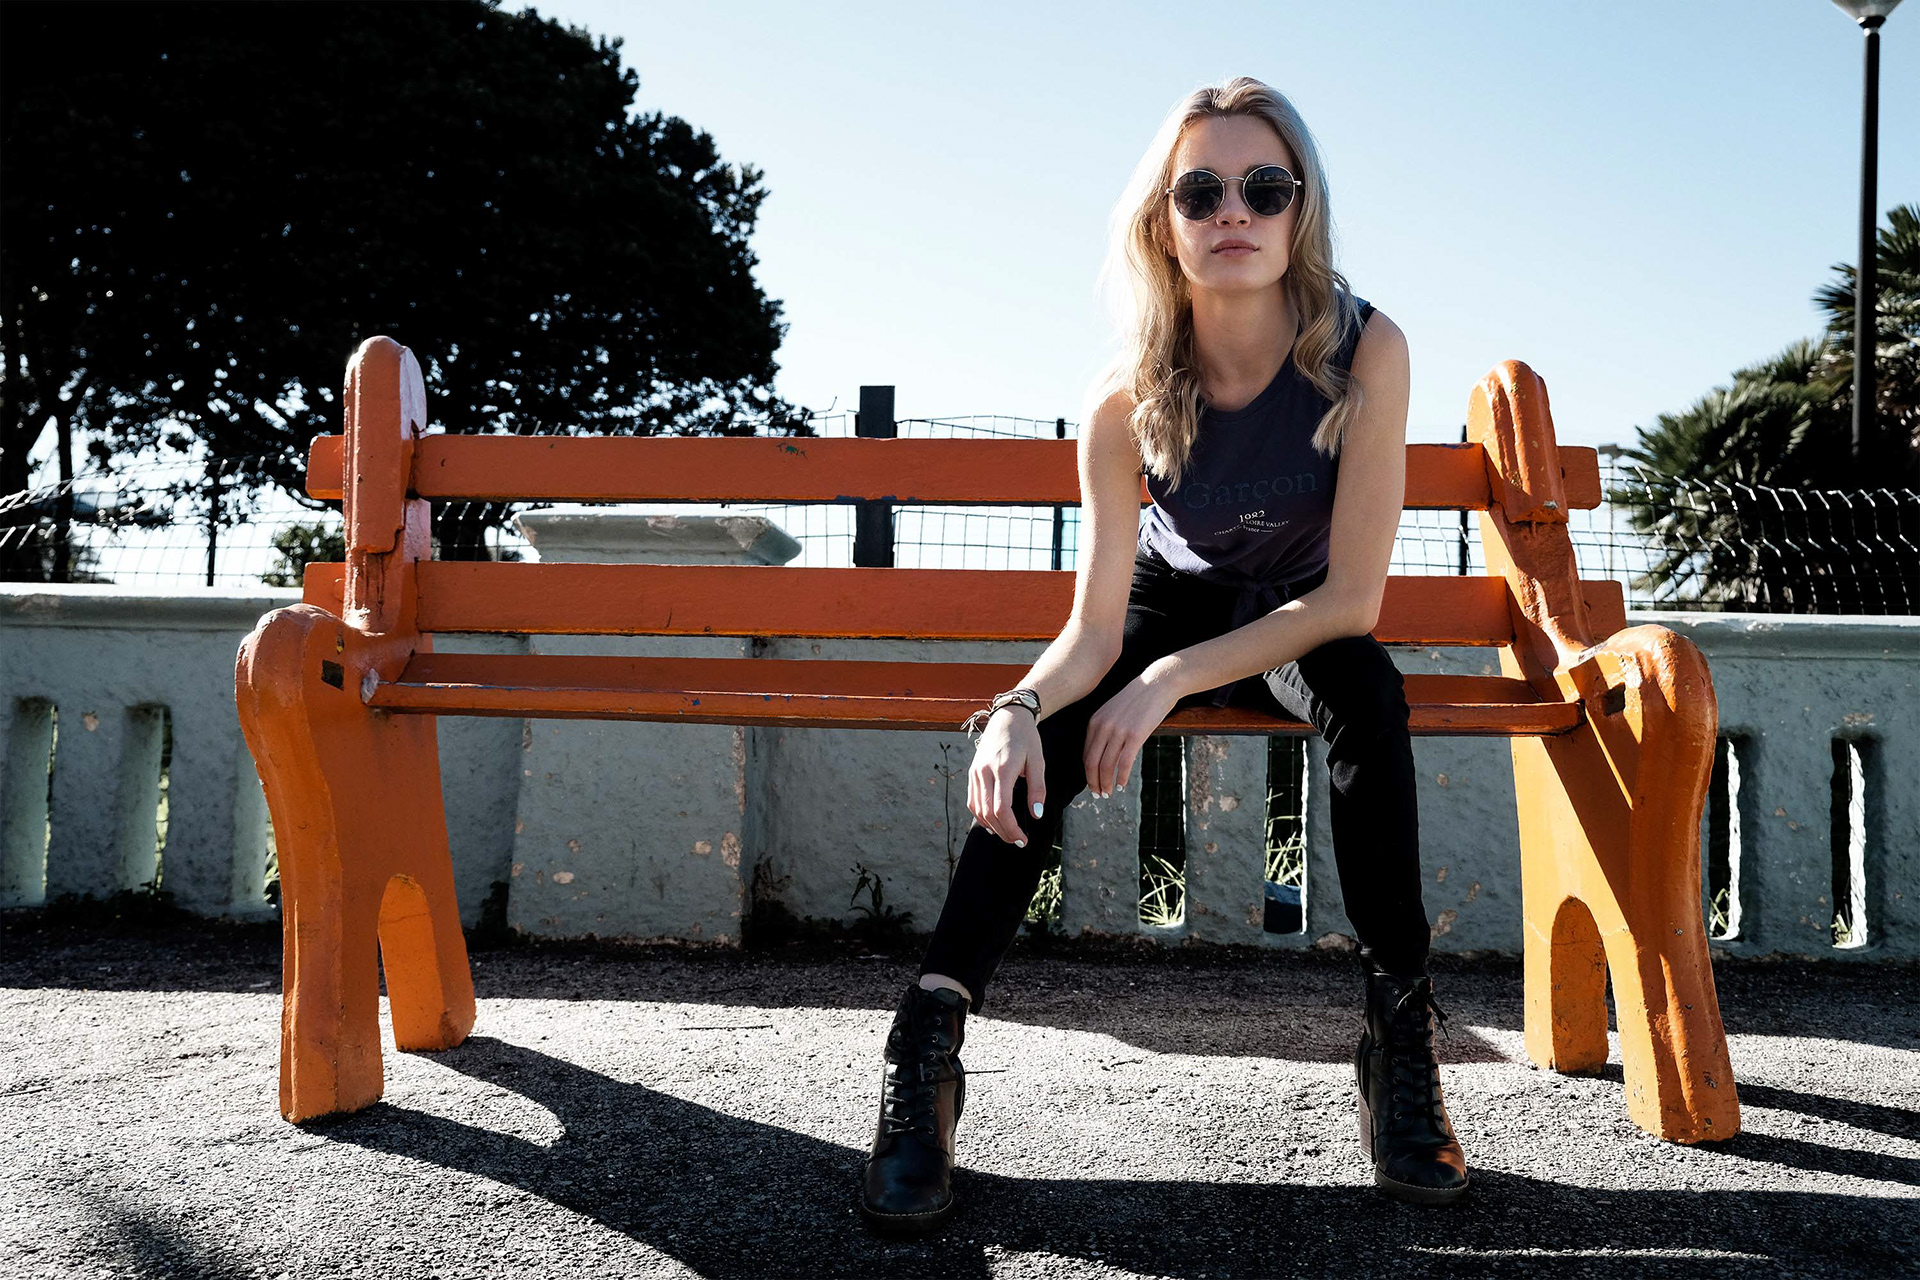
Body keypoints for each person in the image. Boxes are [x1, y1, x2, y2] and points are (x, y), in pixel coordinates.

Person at [859, 75, 1469, 1236]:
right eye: (1201, 191)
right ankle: (925, 1043)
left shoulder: (1365, 348)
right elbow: (1096, 632)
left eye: (1265, 187)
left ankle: (1401, 1038)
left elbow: (1352, 598)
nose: (1233, 210)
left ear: (1300, 209)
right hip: (1170, 594)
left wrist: (1172, 677)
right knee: (1044, 736)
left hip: (1300, 607)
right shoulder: (1123, 394)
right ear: (1163, 221)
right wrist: (1015, 706)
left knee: (1369, 699)